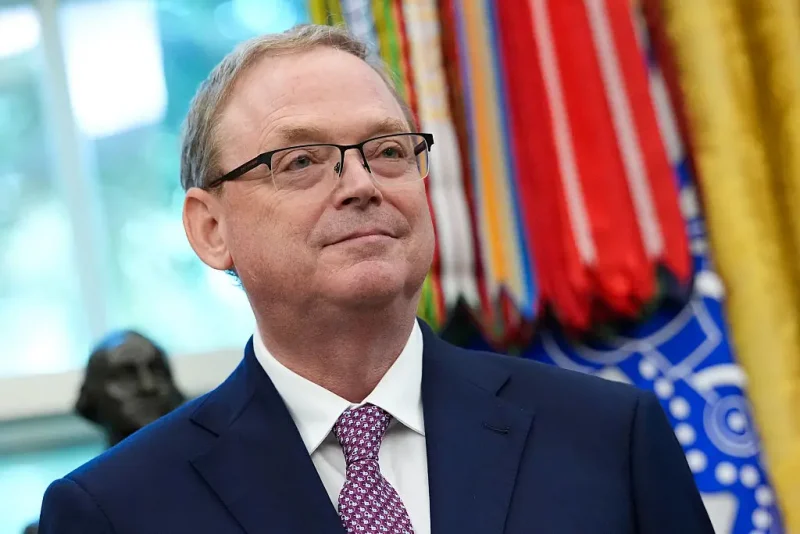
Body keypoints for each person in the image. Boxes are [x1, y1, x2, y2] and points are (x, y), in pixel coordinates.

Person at [38, 24, 714, 534]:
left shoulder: (608, 437)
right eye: (300, 161)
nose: (361, 185)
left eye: (388, 151)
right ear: (210, 229)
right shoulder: (114, 511)